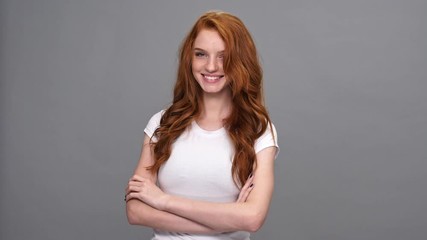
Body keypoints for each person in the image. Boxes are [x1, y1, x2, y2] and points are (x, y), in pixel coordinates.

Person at [125, 10, 279, 240]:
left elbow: (253, 218)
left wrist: (163, 201)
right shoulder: (162, 123)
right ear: (190, 58)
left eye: (223, 57)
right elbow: (135, 211)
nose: (211, 66)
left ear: (240, 61)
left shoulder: (258, 129)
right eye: (201, 54)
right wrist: (226, 221)